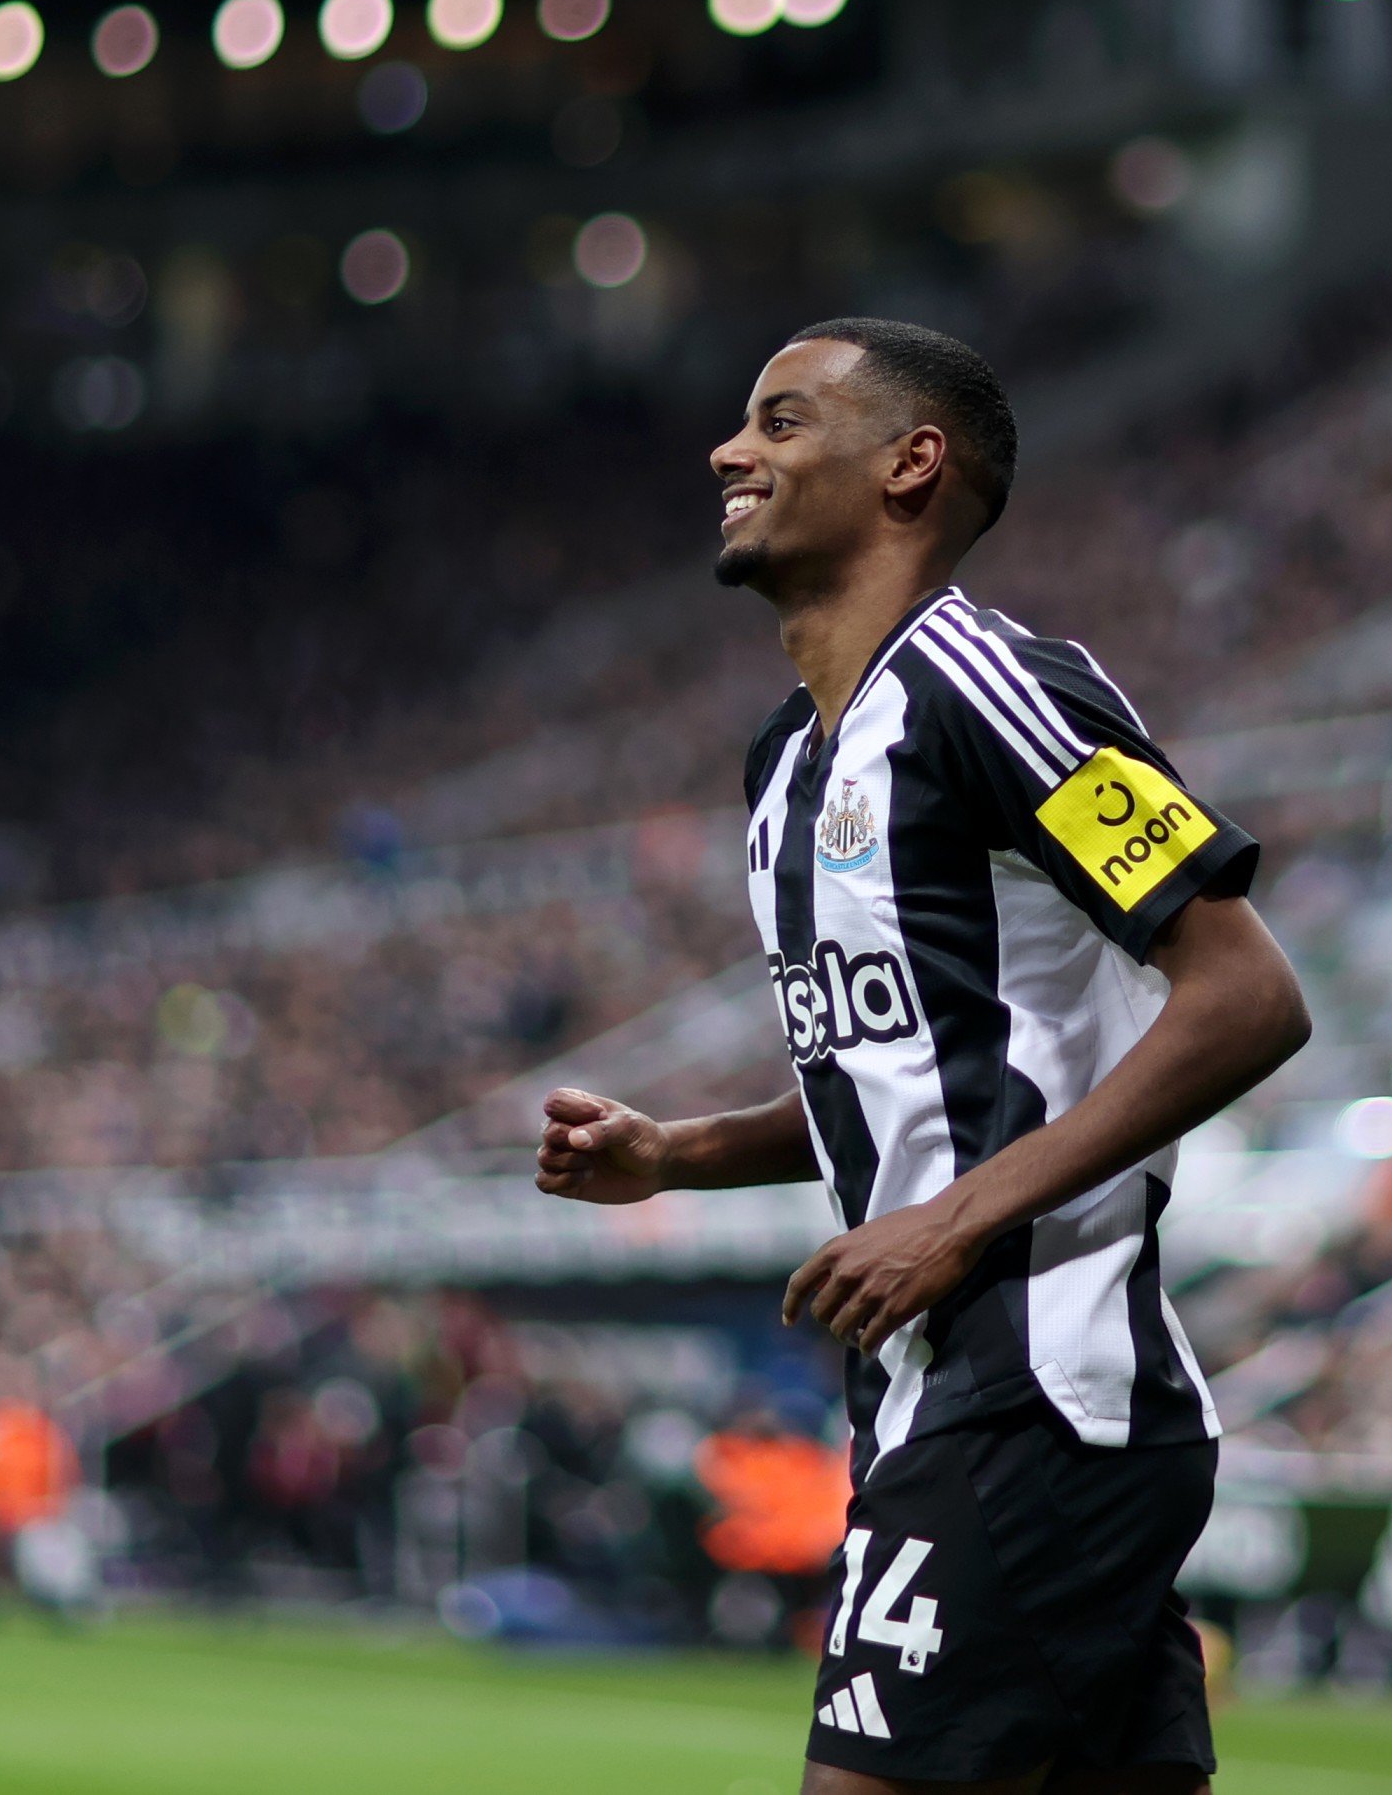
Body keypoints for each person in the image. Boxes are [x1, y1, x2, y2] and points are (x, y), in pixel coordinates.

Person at [539, 319, 1312, 1795]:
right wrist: (676, 1151)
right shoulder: (784, 761)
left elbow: (1244, 993)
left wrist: (955, 1220)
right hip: (929, 1403)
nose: (729, 449)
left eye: (779, 421)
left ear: (910, 462)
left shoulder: (992, 687)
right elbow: (905, 1070)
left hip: (1040, 1392)